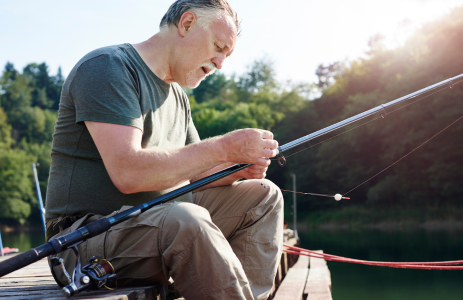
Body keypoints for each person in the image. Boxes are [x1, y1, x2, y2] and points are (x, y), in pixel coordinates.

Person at [44, 1, 284, 299]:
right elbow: (128, 173)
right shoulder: (107, 67)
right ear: (186, 24)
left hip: (160, 220)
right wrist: (223, 147)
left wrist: (238, 165)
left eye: (227, 55)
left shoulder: (178, 97)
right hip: (82, 239)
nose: (221, 63)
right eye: (218, 46)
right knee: (186, 219)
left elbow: (196, 171)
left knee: (263, 195)